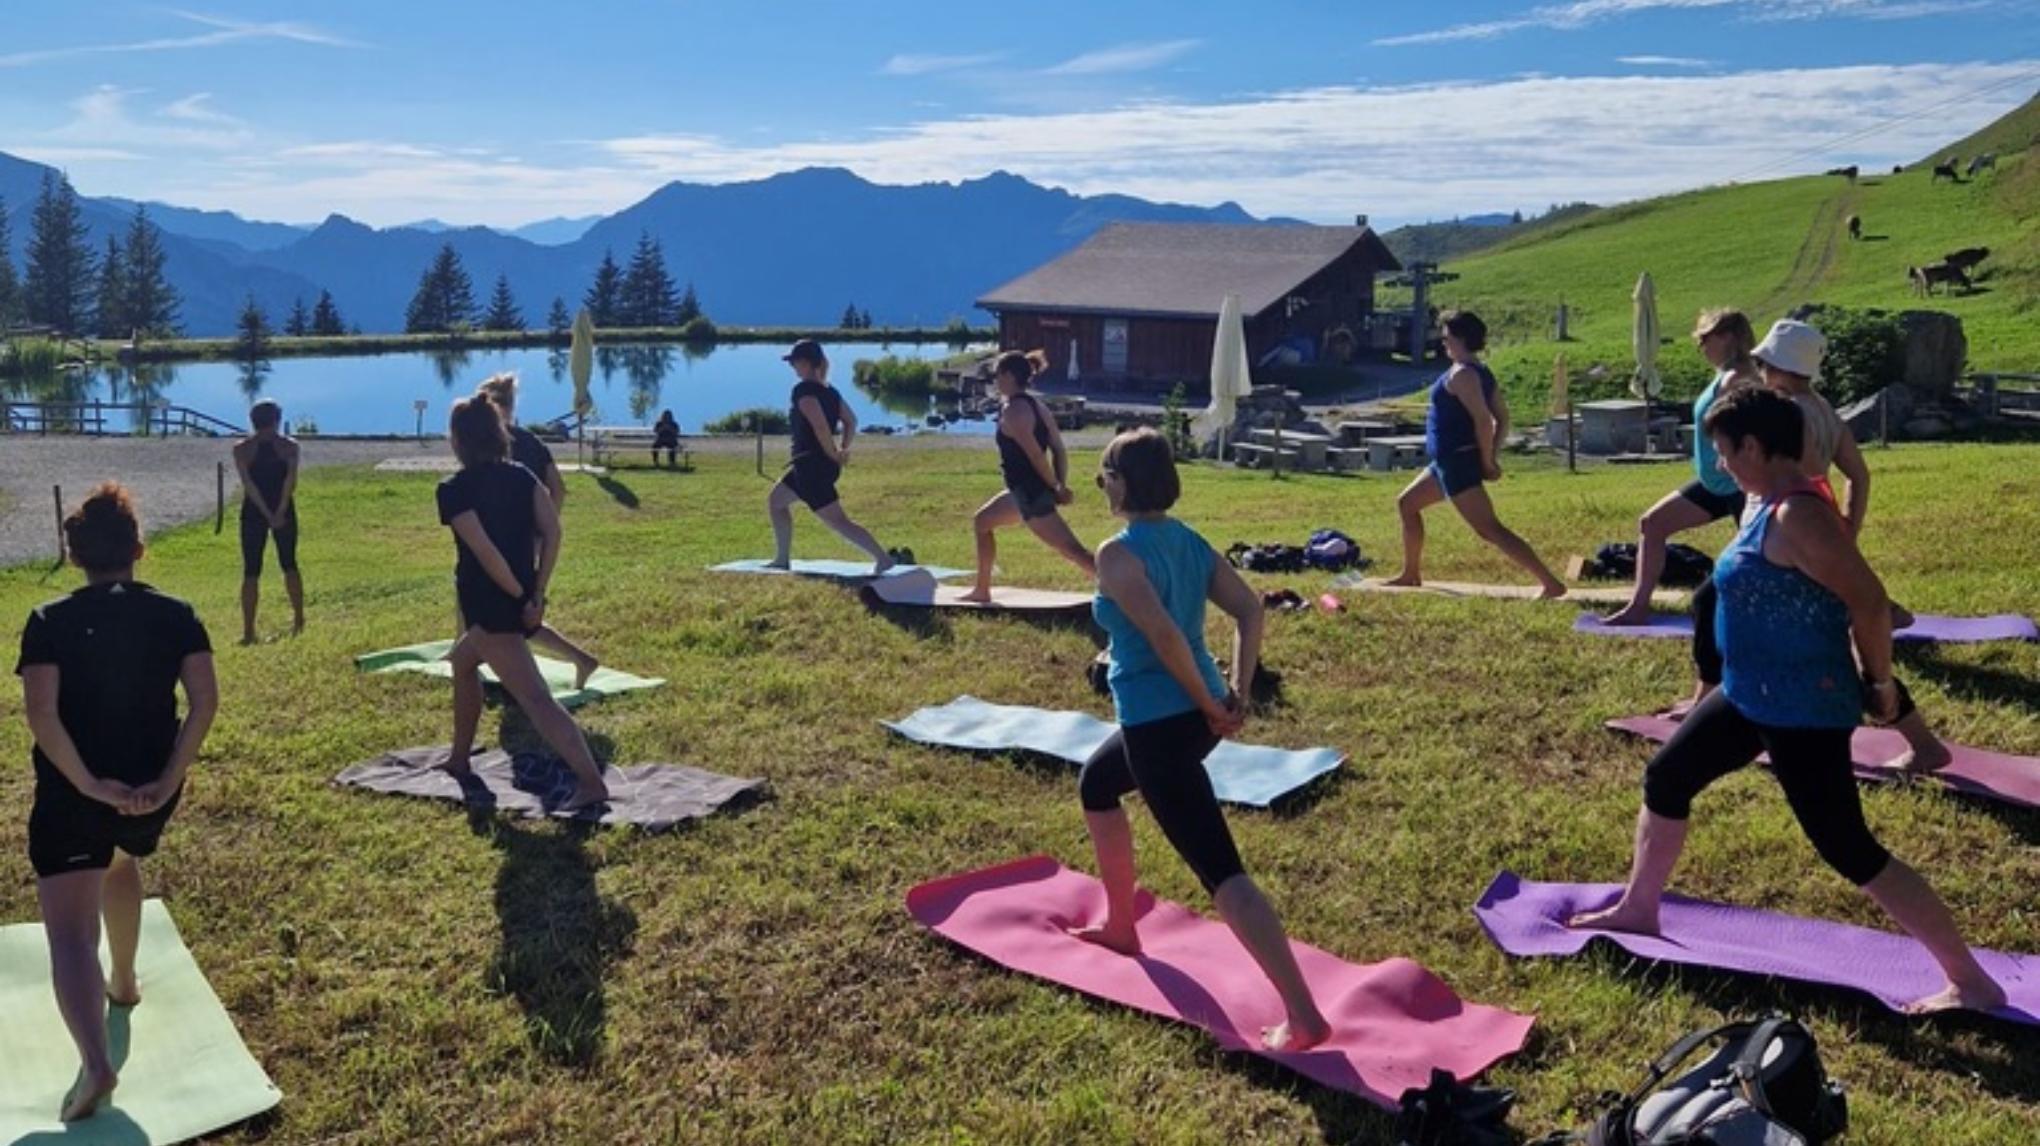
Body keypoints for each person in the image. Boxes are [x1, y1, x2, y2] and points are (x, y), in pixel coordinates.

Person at [1569, 388, 2002, 1016]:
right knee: (1667, 776)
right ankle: (1639, 906)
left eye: (1725, 453)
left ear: (1754, 446)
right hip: (1748, 695)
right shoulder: (1763, 499)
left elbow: (1872, 603)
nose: (1720, 467)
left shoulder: (1799, 514)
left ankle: (1973, 982)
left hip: (1802, 708)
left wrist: (1879, 685)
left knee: (1848, 847)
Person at [1073, 428, 1331, 1052]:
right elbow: (1249, 609)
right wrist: (1230, 695)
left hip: (1163, 724)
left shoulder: (1117, 553)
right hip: (1191, 716)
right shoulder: (1188, 542)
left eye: (1105, 474)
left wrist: (1214, 702)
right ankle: (1122, 926)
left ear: (1124, 482)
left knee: (1222, 872)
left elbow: (1164, 637)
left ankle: (1304, 1017)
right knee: (1098, 785)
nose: (1101, 485)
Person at [18, 483, 218, 1120]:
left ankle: (97, 1065)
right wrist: (166, 779)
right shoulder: (178, 613)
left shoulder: (48, 621)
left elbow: (42, 717)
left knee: (70, 936)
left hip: (78, 796)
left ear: (73, 555)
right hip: (149, 795)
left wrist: (87, 784)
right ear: (139, 548)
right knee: (117, 860)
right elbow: (204, 702)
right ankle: (124, 982)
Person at [1669, 321, 1948, 771]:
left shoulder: (1784, 413)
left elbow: (1793, 478)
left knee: (1728, 610)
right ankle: (1920, 739)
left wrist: (1796, 532)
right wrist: (1846, 533)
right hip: (1814, 533)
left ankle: (1714, 701)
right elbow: (1856, 474)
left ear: (1778, 365)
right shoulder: (1823, 409)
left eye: (1763, 363)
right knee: (1832, 641)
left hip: (1796, 537)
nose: (1757, 369)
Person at [436, 396, 609, 812]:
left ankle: (590, 783)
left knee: (535, 699)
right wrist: (535, 592)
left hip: (493, 606)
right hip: (509, 600)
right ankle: (459, 758)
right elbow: (552, 533)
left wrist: (522, 597)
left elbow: (486, 553)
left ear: (459, 440)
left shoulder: (453, 490)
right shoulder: (524, 476)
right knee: (462, 664)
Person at [1384, 310, 1566, 596]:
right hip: (1445, 463)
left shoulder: (1463, 375)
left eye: (1447, 337)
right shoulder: (1478, 372)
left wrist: (1487, 460)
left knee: (1490, 529)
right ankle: (1411, 573)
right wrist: (1488, 455)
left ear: (1461, 338)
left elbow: (1486, 420)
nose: (1443, 342)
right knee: (1407, 504)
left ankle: (1550, 583)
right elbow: (1503, 419)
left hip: (1457, 462)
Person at [1602, 309, 1759, 625]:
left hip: (1741, 484)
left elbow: (1749, 428)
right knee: (1653, 524)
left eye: (1705, 339)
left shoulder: (1738, 377)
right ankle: (1638, 606)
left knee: (1767, 556)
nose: (1701, 347)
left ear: (1727, 337)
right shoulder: (1724, 375)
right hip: (1715, 483)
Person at [476, 375, 600, 689]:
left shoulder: (493, 444)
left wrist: (540, 529)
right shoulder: (532, 441)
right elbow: (557, 490)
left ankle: (473, 662)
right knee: (514, 611)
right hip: (521, 538)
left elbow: (553, 489)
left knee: (507, 611)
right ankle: (468, 658)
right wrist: (543, 528)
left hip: (500, 539)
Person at [959, 350, 1094, 602]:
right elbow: (1058, 448)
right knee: (982, 522)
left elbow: (1036, 456)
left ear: (1009, 376)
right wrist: (1059, 484)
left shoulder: (1013, 411)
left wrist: (1057, 487)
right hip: (1020, 493)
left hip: (1031, 495)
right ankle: (982, 590)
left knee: (1073, 552)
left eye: (997, 375)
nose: (995, 381)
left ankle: (1125, 592)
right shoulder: (1037, 405)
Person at [765, 340, 896, 573]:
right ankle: (782, 559)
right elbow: (851, 421)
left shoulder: (803, 391)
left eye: (794, 362)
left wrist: (835, 453)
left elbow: (821, 427)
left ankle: (882, 558)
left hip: (812, 466)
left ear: (805, 363)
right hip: (808, 465)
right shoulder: (830, 392)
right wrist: (843, 448)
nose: (792, 367)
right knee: (776, 501)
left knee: (838, 521)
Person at [232, 400, 304, 644]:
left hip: (253, 512)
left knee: (251, 570)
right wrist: (279, 511)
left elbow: (248, 485)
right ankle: (298, 620)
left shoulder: (241, 449)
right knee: (289, 564)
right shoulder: (290, 446)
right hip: (282, 510)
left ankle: (249, 631)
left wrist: (264, 512)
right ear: (277, 420)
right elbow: (290, 482)